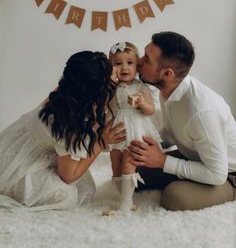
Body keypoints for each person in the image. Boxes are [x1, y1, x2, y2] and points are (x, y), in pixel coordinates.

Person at [0, 51, 126, 211]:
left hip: (13, 144)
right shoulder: (71, 122)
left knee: (80, 174)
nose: (117, 75)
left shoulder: (68, 91)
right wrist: (102, 142)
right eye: (112, 75)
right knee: (70, 193)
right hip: (17, 165)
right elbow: (68, 176)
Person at [128, 32, 236, 210]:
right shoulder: (169, 90)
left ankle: (231, 192)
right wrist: (144, 142)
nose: (138, 61)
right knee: (137, 171)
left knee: (174, 197)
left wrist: (162, 161)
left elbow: (217, 174)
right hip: (195, 157)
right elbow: (173, 132)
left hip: (228, 174)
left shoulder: (201, 111)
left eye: (146, 60)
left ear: (166, 73)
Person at [104, 41, 162, 213]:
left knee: (129, 160)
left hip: (136, 126)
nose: (124, 68)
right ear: (111, 67)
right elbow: (106, 106)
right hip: (119, 127)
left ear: (137, 66)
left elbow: (151, 110)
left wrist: (143, 103)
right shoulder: (111, 87)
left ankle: (126, 202)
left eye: (129, 63)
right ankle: (122, 192)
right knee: (115, 160)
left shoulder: (140, 86)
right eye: (118, 63)